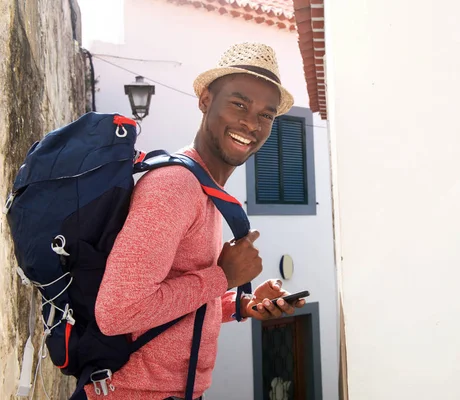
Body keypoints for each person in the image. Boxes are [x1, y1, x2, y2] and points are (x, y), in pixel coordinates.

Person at [86, 43, 305, 400]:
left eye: (266, 115)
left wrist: (240, 304)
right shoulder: (175, 187)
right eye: (239, 104)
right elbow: (118, 312)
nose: (251, 123)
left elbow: (171, 300)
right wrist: (223, 276)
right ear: (205, 100)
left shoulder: (205, 188)